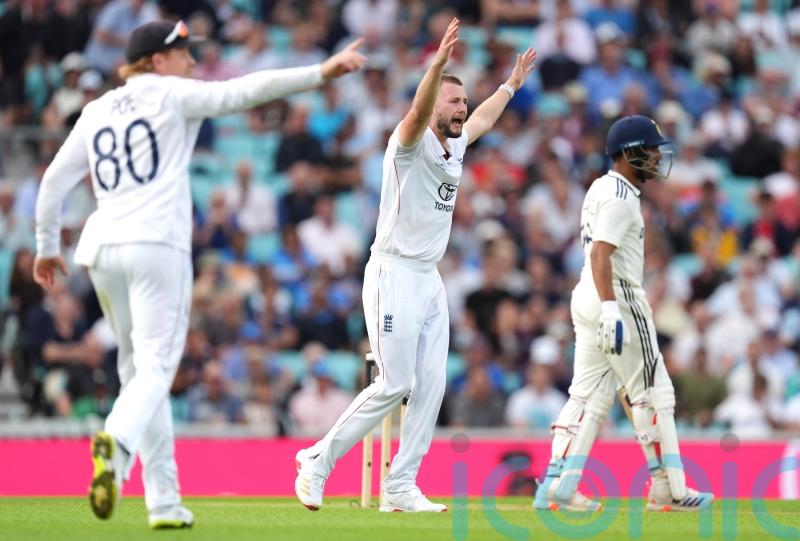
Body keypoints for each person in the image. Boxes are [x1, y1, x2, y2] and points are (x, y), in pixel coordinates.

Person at [32, 19, 365, 528]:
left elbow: (54, 180)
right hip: (155, 244)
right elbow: (242, 92)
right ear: (156, 60)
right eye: (183, 53)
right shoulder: (171, 93)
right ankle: (115, 445)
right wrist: (320, 72)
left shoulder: (97, 108)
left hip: (102, 249)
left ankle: (163, 501)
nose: (192, 62)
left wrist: (46, 247)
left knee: (139, 374)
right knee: (158, 369)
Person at [294, 17, 536, 512]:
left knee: (432, 386)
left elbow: (485, 119)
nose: (462, 108)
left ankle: (400, 485)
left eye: (462, 101)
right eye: (453, 101)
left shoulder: (458, 142)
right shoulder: (408, 143)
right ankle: (317, 460)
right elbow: (418, 109)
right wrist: (437, 66)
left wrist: (509, 85)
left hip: (429, 279)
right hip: (392, 273)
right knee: (395, 382)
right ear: (431, 107)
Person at [534, 115, 714, 512]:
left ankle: (557, 487)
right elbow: (602, 252)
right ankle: (673, 490)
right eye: (650, 149)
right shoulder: (619, 197)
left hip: (586, 296)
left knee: (588, 396)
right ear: (630, 153)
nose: (656, 156)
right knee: (656, 392)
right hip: (616, 296)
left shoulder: (602, 187)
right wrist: (613, 309)